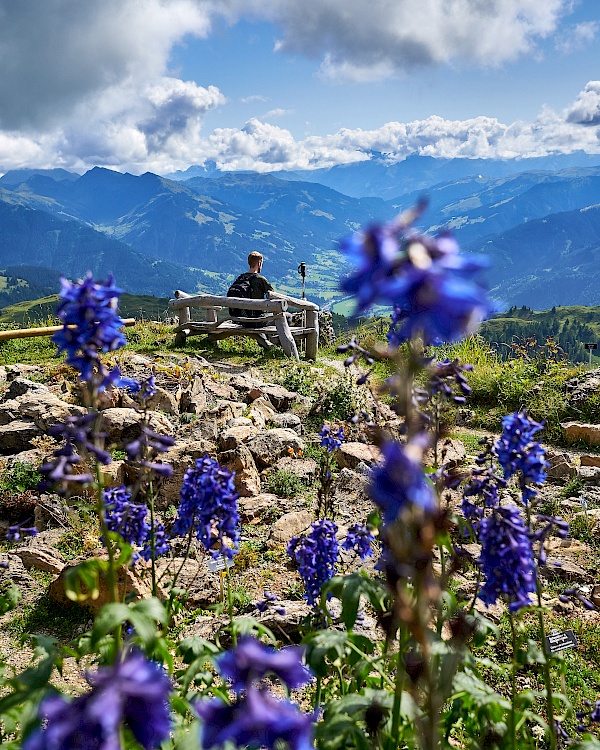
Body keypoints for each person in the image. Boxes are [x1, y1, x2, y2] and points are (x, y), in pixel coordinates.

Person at [229, 251, 275, 350]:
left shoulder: (240, 278)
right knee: (287, 317)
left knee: (257, 319)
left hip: (240, 319)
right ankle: (274, 345)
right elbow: (275, 297)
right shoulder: (260, 279)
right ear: (259, 263)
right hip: (256, 321)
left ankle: (265, 344)